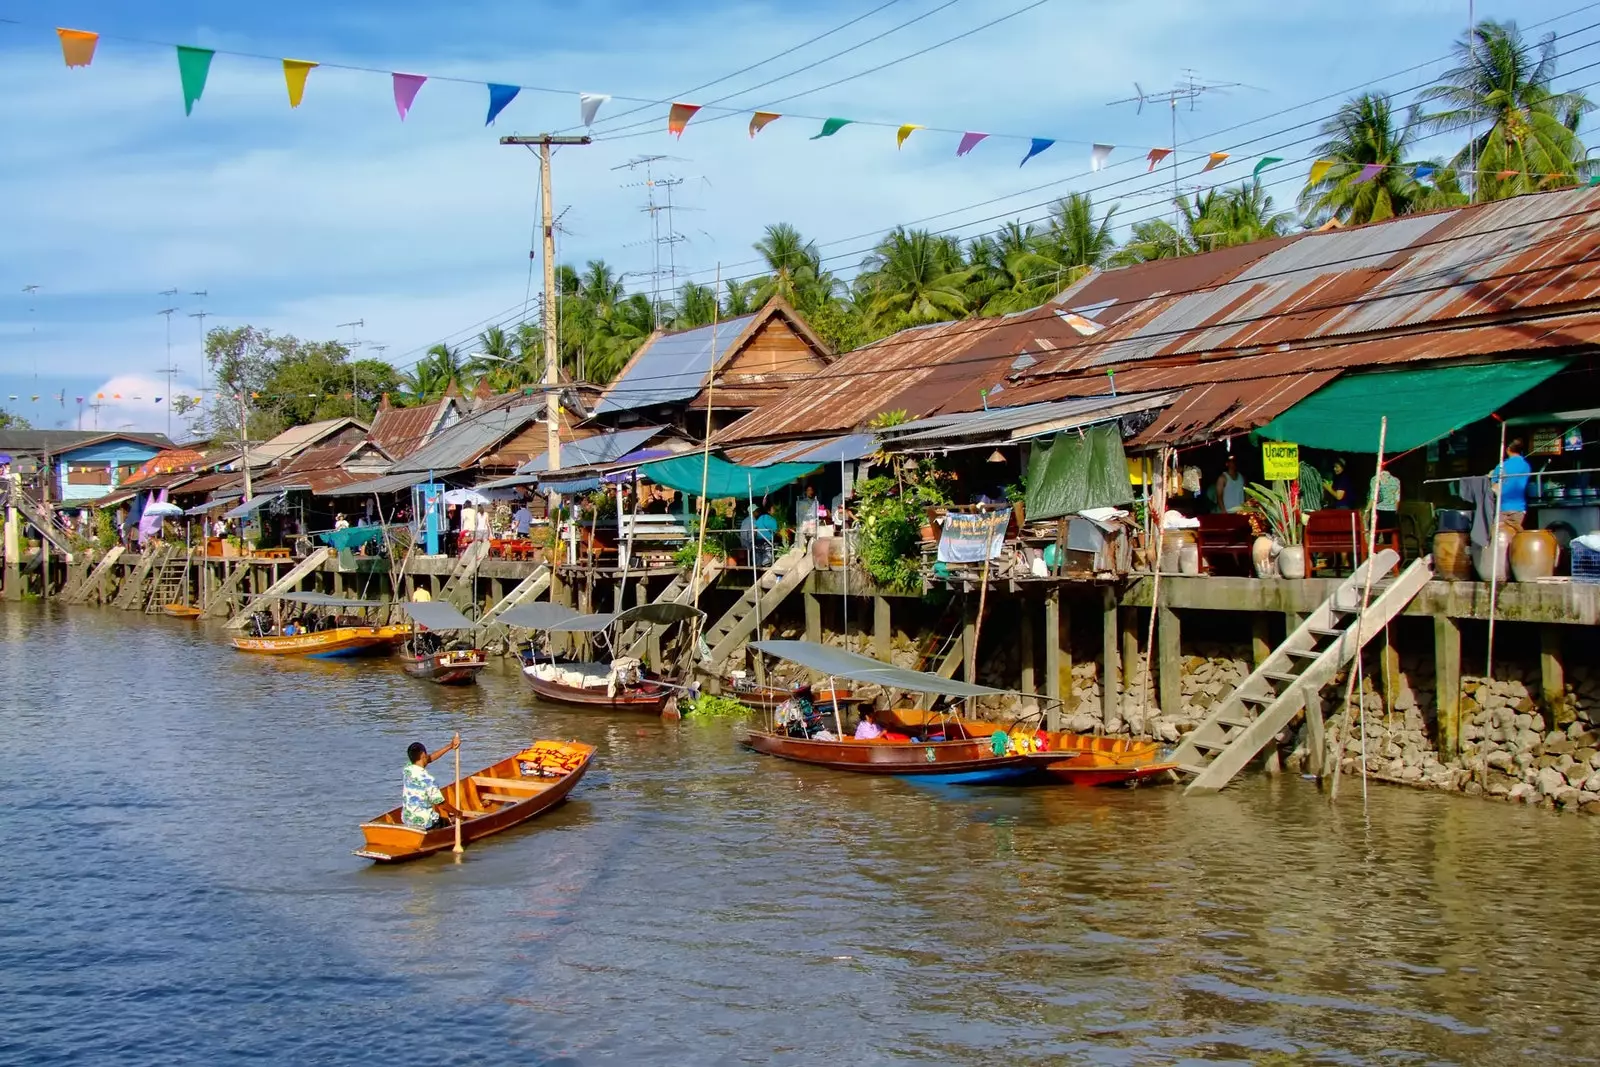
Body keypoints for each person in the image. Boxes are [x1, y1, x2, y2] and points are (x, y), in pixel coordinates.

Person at [402, 736, 463, 831]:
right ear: (423, 755)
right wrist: (457, 813)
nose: (427, 756)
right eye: (426, 754)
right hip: (426, 823)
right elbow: (440, 804)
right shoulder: (428, 779)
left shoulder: (407, 769)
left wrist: (450, 746)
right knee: (447, 823)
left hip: (407, 819)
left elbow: (430, 758)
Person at [1492, 438, 1533, 532]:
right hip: (1519, 508)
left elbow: (1494, 487)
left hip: (1502, 508)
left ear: (1507, 450)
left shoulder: (1501, 466)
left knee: (1499, 536)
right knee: (1515, 537)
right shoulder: (1526, 466)